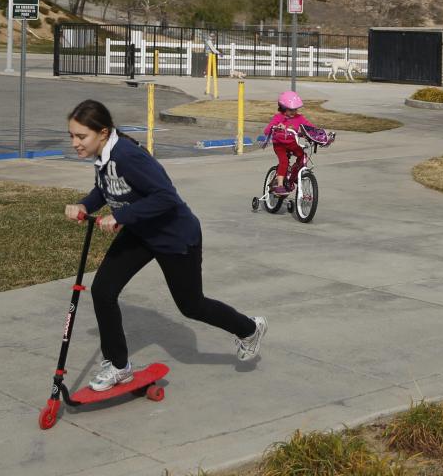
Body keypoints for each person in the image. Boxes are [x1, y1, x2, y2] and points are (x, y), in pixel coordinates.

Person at [63, 99, 267, 392]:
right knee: (103, 290)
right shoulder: (103, 157)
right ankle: (118, 366)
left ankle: (249, 328)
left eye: (81, 136)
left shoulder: (128, 155)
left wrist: (121, 215)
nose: (75, 143)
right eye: (72, 135)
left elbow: (165, 196)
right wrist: (84, 204)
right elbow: (106, 187)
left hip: (174, 235)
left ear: (103, 133)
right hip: (141, 232)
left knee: (191, 305)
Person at [261, 90, 326, 196]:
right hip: (279, 145)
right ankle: (280, 185)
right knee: (284, 161)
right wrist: (276, 127)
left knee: (302, 156)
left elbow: (309, 126)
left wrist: (319, 133)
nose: (293, 111)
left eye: (295, 109)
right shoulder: (278, 117)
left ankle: (293, 176)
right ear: (283, 107)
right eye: (290, 109)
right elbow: (267, 130)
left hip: (292, 143)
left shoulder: (299, 118)